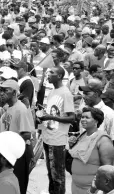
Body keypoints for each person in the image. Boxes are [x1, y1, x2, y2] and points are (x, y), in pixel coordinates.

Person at [38, 66, 75, 194]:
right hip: (47, 137)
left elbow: (72, 117)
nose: (48, 74)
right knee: (51, 174)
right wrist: (43, 118)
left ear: (59, 76)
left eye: (51, 72)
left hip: (57, 140)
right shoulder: (53, 91)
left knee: (58, 176)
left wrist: (51, 117)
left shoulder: (65, 93)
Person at [0, 80, 34, 194]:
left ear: (14, 93)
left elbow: (27, 133)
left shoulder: (20, 109)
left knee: (18, 185)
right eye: (1, 90)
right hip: (10, 154)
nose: (2, 93)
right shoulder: (8, 108)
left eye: (5, 90)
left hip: (19, 154)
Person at [69, 107, 114, 194]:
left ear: (96, 121)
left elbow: (108, 170)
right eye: (82, 117)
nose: (83, 119)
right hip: (75, 186)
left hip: (92, 189)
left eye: (87, 117)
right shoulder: (82, 136)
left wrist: (101, 190)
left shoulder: (103, 140)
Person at [79, 79, 114, 146]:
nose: (83, 96)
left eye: (86, 94)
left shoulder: (109, 114)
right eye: (83, 93)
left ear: (96, 94)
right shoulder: (83, 110)